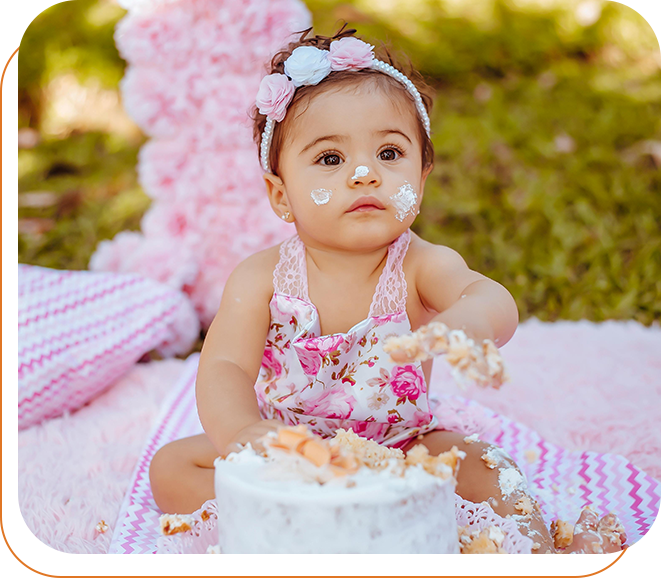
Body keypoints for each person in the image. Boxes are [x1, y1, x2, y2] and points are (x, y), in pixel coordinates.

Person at [149, 26, 626, 558]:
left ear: (421, 178)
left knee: (491, 468)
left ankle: (536, 556)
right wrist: (245, 434)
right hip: (292, 454)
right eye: (330, 159)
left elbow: (489, 297)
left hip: (402, 452)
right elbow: (225, 369)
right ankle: (319, 525)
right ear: (280, 195)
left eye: (389, 153)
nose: (363, 174)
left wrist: (467, 320)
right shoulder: (260, 279)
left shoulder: (421, 266)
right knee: (171, 469)